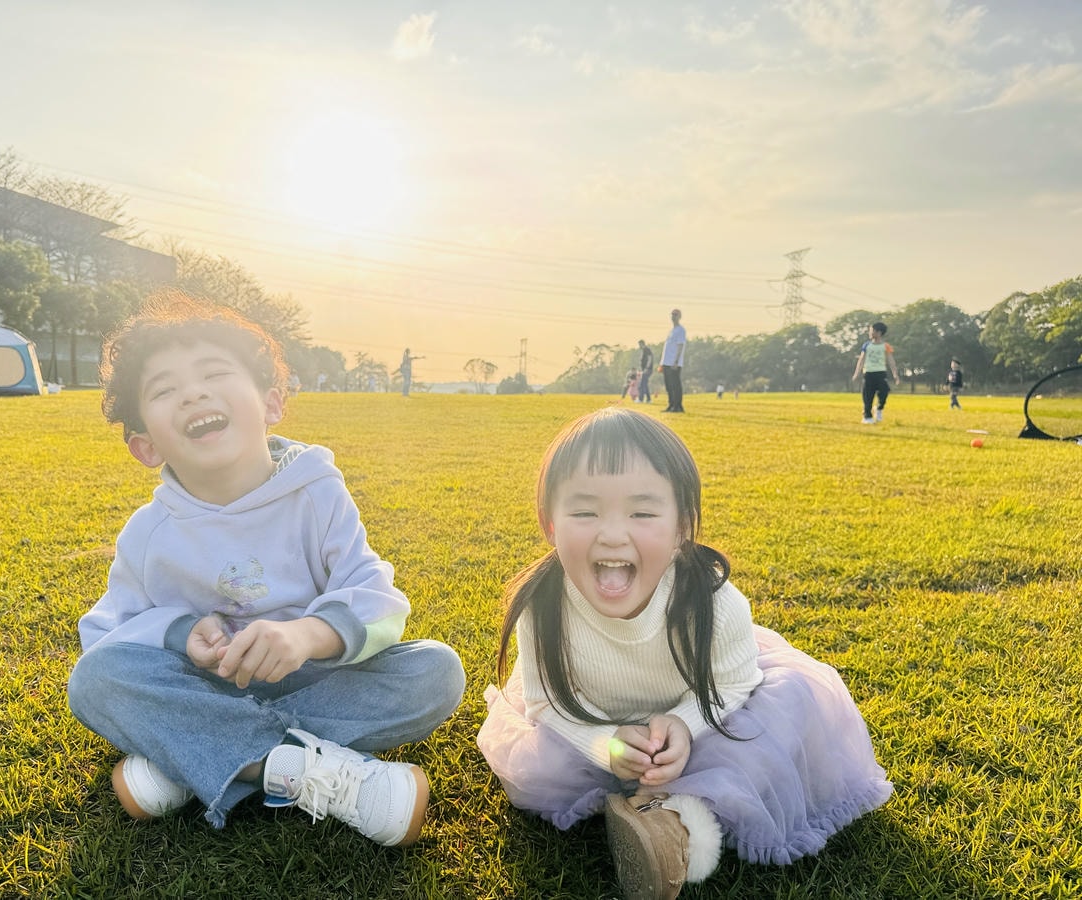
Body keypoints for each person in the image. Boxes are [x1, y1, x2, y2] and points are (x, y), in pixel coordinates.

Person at [67, 290, 465, 846]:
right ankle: (307, 771)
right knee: (95, 681)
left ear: (272, 404)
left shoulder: (318, 491)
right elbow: (106, 636)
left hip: (315, 680)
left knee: (436, 672)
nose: (194, 393)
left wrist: (310, 634)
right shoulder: (147, 533)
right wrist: (181, 633)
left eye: (213, 372)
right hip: (205, 686)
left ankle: (191, 755)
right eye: (164, 390)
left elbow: (377, 599)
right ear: (144, 445)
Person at [477, 408, 891, 897]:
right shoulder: (541, 607)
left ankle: (671, 825)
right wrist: (605, 744)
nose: (611, 533)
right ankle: (646, 801)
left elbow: (736, 683)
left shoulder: (711, 601)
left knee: (777, 721)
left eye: (643, 512)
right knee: (542, 763)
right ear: (550, 524)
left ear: (680, 529)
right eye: (585, 511)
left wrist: (685, 724)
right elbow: (545, 703)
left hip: (704, 703)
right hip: (598, 718)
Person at [851, 322, 900, 424]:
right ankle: (867, 417)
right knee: (867, 395)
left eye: (872, 331)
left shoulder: (886, 346)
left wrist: (895, 374)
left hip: (881, 373)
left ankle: (879, 409)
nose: (870, 333)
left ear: (879, 333)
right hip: (869, 373)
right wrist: (856, 373)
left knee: (884, 393)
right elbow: (861, 360)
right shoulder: (866, 345)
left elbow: (891, 360)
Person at [660, 309, 687, 413]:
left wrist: (676, 361)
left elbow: (680, 346)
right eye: (672, 315)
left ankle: (678, 406)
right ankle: (671, 404)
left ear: (679, 316)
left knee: (675, 385)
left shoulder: (681, 330)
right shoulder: (671, 330)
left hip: (674, 362)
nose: (673, 317)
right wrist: (662, 362)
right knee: (669, 385)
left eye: (675, 315)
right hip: (666, 362)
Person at [637, 339, 654, 404]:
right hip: (645, 370)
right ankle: (649, 400)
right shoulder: (644, 350)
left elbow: (650, 358)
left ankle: (640, 399)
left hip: (647, 369)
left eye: (639, 345)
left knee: (642, 384)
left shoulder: (646, 349)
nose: (639, 346)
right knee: (645, 384)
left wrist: (647, 367)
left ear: (642, 344)